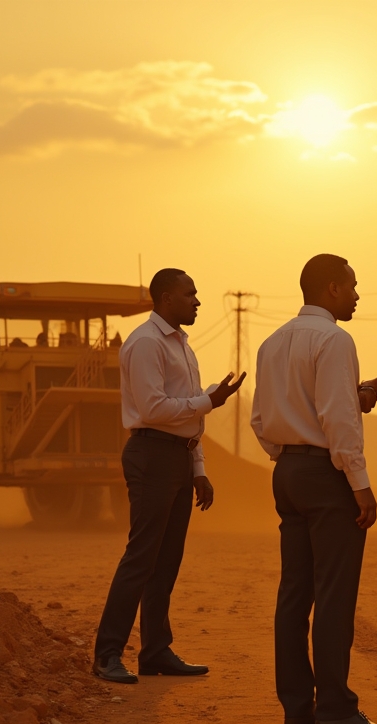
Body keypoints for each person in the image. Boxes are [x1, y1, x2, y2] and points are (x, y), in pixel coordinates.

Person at [250, 253, 377, 724]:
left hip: (288, 473)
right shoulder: (335, 339)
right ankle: (335, 709)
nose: (357, 294)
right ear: (333, 288)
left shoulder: (273, 342)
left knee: (294, 595)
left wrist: (288, 451)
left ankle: (299, 710)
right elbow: (337, 420)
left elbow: (261, 418)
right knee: (335, 596)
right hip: (324, 475)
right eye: (353, 286)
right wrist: (360, 485)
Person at [92, 268, 246, 685]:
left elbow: (185, 418)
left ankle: (155, 651)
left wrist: (198, 470)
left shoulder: (181, 345)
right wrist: (209, 401)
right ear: (165, 299)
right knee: (141, 557)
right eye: (190, 293)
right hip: (151, 455)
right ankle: (107, 655)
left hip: (177, 457)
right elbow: (154, 408)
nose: (197, 301)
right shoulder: (145, 343)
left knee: (166, 561)